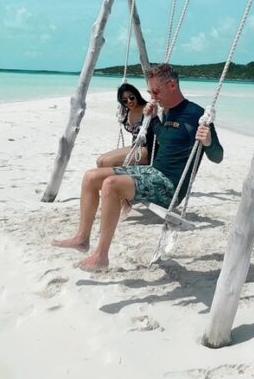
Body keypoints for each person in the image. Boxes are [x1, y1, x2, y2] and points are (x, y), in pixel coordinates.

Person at [52, 63, 224, 271]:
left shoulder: (197, 115)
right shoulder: (166, 112)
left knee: (111, 184)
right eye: (150, 91)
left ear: (171, 85)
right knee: (91, 176)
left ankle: (101, 256)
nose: (152, 96)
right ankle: (81, 238)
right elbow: (166, 138)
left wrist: (208, 142)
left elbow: (217, 156)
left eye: (155, 91)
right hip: (152, 173)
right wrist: (150, 119)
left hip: (169, 186)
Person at [96, 82, 149, 169]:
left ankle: (112, 181)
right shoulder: (127, 111)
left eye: (131, 97)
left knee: (108, 161)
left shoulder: (147, 109)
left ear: (136, 95)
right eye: (125, 100)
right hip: (135, 145)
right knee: (100, 160)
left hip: (146, 149)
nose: (129, 101)